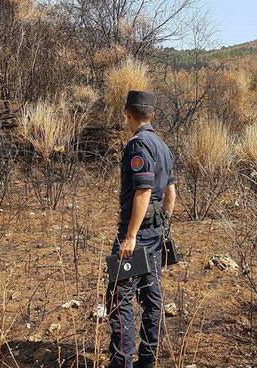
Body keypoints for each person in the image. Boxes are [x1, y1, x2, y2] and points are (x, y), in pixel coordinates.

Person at [106, 90, 176, 368]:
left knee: (119, 297)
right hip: (156, 233)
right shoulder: (162, 146)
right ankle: (148, 359)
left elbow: (143, 192)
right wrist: (163, 224)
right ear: (153, 114)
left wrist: (131, 236)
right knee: (151, 296)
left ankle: (122, 362)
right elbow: (171, 193)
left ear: (127, 113)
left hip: (138, 236)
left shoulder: (138, 145)